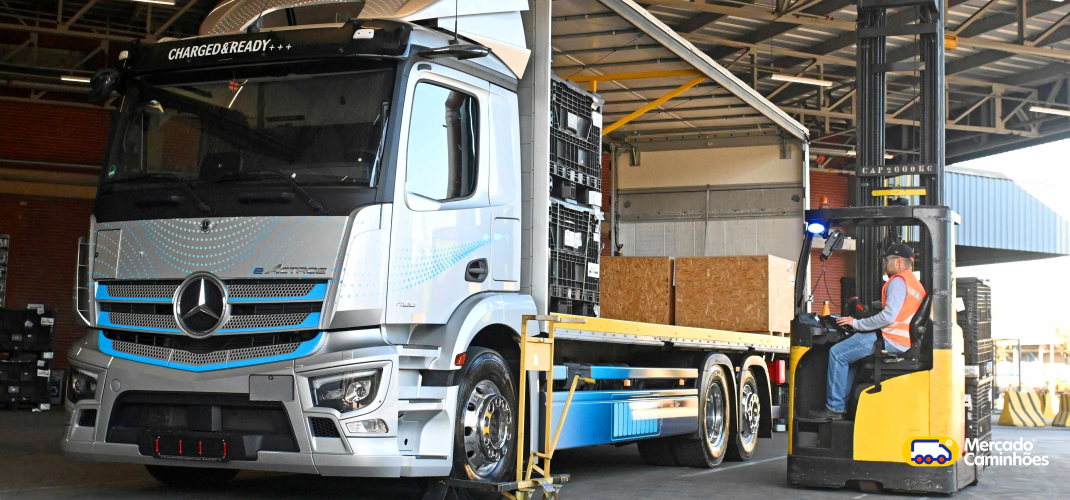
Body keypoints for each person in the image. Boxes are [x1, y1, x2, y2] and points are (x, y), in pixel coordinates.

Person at [812, 243, 927, 421]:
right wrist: (871, 307)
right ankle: (845, 406)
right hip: (903, 340)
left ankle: (834, 408)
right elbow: (899, 306)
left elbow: (889, 316)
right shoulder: (915, 284)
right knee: (849, 357)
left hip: (890, 338)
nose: (884, 264)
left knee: (837, 353)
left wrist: (856, 323)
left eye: (886, 260)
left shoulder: (898, 281)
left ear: (898, 261)